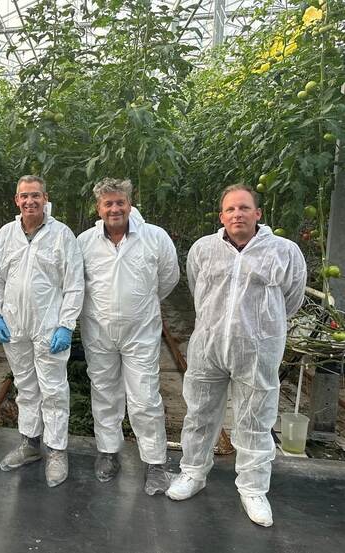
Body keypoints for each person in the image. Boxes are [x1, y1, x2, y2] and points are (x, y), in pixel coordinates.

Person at [167, 184, 306, 527]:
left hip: (257, 349)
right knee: (199, 412)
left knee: (255, 419)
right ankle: (193, 473)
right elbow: (198, 288)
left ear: (258, 213)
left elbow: (292, 298)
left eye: (244, 208)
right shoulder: (204, 249)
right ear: (221, 216)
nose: (237, 214)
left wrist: (258, 329)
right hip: (209, 346)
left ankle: (253, 488)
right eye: (230, 209)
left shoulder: (283, 252)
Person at [77, 177, 179, 495]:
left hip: (141, 332)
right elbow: (76, 283)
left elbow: (169, 278)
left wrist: (139, 306)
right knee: (105, 393)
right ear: (99, 207)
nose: (115, 208)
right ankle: (108, 453)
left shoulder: (154, 238)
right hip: (99, 331)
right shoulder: (85, 242)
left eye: (120, 202)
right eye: (108, 203)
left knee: (145, 397)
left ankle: (156, 463)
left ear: (130, 203)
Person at [0, 175, 84, 487]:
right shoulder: (6, 234)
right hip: (15, 327)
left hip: (48, 327)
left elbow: (74, 284)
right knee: (26, 387)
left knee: (53, 389)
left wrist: (67, 325)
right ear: (16, 200)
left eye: (35, 196)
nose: (30, 201)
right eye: (24, 196)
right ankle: (30, 444)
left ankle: (56, 450)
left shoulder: (61, 235)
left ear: (46, 198)